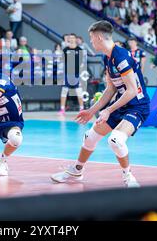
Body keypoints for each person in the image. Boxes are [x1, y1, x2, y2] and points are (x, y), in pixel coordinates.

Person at [51, 21, 150, 188]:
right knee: (90, 137)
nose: (91, 42)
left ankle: (128, 176)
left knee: (116, 140)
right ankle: (77, 171)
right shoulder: (108, 58)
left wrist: (108, 110)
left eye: (91, 38)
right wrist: (91, 110)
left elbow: (132, 91)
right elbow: (110, 89)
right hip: (121, 104)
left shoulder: (121, 57)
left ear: (98, 37)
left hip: (137, 106)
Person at [59, 33, 85, 115]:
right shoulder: (65, 50)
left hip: (77, 74)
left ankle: (82, 108)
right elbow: (62, 61)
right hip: (67, 74)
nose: (71, 39)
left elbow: (81, 63)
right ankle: (62, 109)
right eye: (70, 38)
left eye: (73, 38)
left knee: (79, 91)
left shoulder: (80, 50)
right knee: (64, 91)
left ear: (75, 39)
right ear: (68, 40)